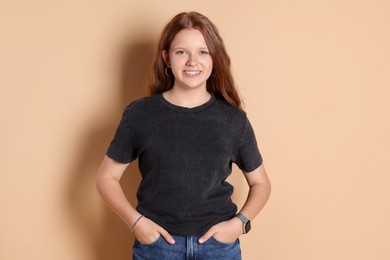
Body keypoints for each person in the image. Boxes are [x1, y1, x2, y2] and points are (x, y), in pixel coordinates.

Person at [95, 11, 271, 260]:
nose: (192, 61)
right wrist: (137, 224)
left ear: (214, 60)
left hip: (218, 248)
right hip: (157, 247)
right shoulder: (140, 115)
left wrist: (239, 223)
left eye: (203, 52)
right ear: (167, 58)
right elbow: (106, 177)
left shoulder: (233, 120)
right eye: (181, 52)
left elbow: (261, 183)